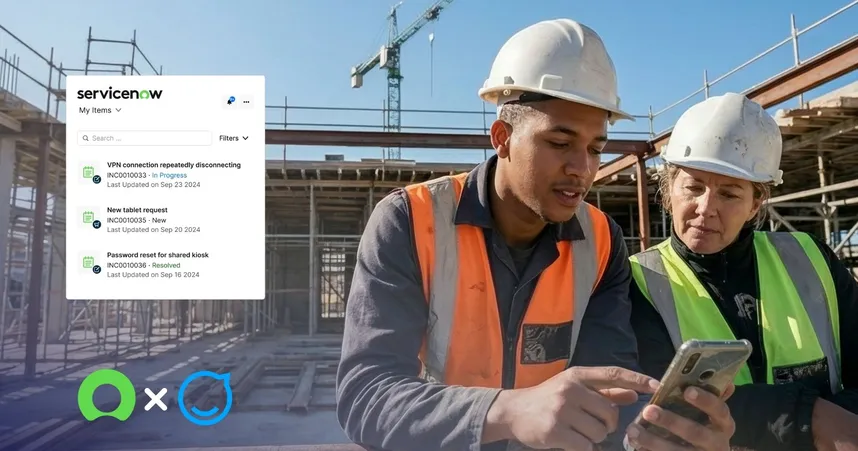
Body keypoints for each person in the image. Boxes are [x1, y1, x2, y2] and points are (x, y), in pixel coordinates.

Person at [337, 18, 734, 451]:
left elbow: (609, 391)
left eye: (596, 149)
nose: (582, 169)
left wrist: (658, 429)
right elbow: (366, 395)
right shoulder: (409, 222)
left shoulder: (601, 240)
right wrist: (506, 411)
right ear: (502, 137)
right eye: (560, 143)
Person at [628, 92, 858, 450]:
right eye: (693, 186)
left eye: (730, 194)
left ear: (756, 203)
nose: (706, 208)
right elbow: (660, 408)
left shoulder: (810, 258)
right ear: (668, 189)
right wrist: (809, 417)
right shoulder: (637, 282)